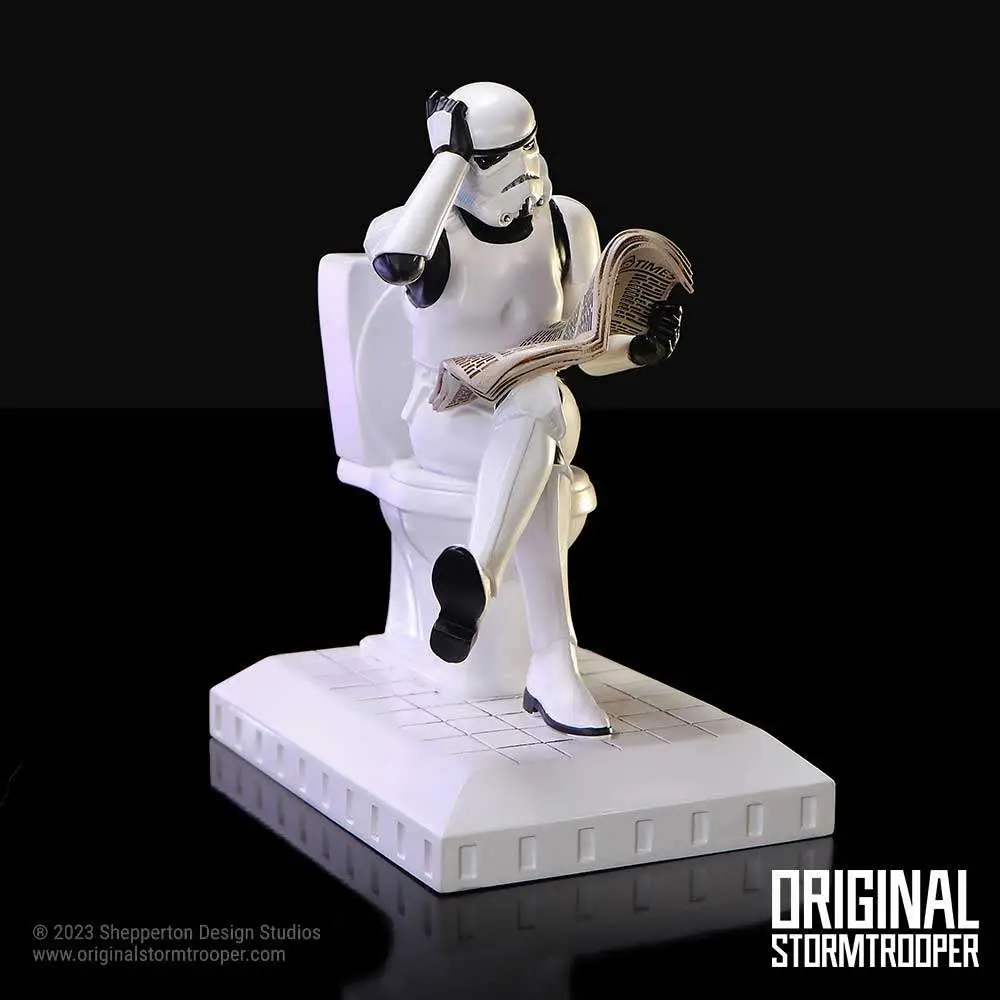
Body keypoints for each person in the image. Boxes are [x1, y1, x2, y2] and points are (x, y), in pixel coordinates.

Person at [363, 83, 682, 736]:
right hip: (448, 419)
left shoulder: (568, 223)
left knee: (536, 401)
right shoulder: (414, 228)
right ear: (456, 159)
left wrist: (639, 349)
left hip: (543, 406)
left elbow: (587, 351)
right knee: (547, 477)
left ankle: (478, 575)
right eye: (496, 154)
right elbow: (396, 263)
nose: (525, 166)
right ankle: (553, 663)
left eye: (529, 144)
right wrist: (451, 159)